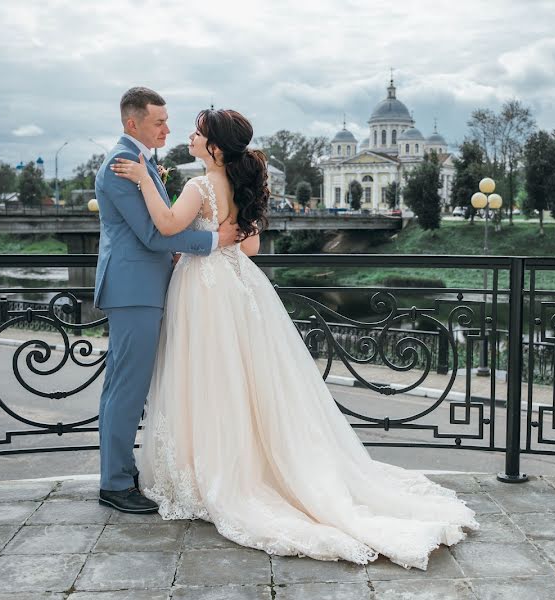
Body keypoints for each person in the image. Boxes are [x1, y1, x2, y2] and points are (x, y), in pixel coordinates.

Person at [109, 108, 477, 569]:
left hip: (203, 288)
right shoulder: (238, 185)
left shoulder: (199, 185)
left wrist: (145, 180)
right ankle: (248, 463)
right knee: (243, 376)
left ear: (214, 147)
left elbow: (165, 226)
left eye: (198, 132)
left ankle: (213, 471)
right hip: (239, 286)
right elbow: (250, 246)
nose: (190, 135)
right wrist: (215, 237)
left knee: (208, 376)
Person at [94, 87, 239, 514]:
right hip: (134, 289)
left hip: (143, 286)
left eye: (167, 120)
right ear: (131, 123)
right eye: (159, 122)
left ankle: (119, 474)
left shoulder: (141, 162)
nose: (167, 129)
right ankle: (116, 484)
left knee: (126, 385)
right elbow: (155, 234)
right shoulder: (121, 167)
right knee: (127, 387)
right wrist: (216, 239)